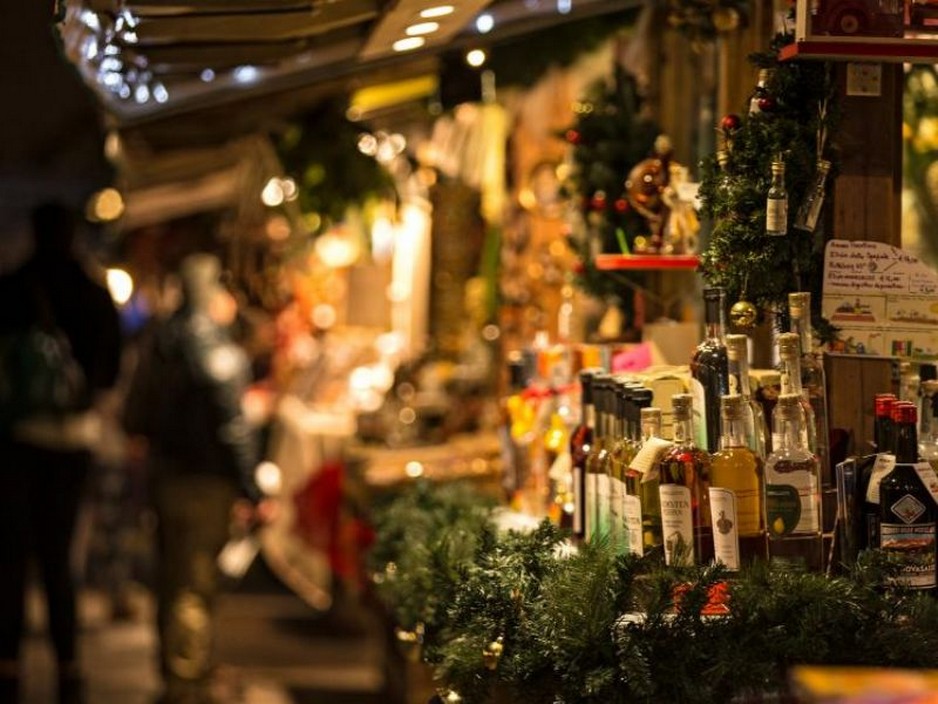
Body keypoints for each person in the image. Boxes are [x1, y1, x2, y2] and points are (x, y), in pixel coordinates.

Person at [122, 253, 276, 704]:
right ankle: (187, 684)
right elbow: (232, 427)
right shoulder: (212, 346)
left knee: (172, 580)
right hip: (203, 483)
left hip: (166, 478)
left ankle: (177, 674)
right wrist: (250, 486)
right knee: (193, 584)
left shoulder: (160, 343)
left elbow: (135, 415)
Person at [0, 202, 122, 704]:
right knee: (60, 552)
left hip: (16, 439)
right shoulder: (93, 293)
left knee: (11, 553)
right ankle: (67, 660)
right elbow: (110, 370)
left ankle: (7, 659)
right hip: (73, 440)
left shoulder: (12, 287)